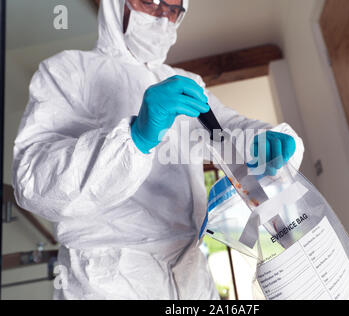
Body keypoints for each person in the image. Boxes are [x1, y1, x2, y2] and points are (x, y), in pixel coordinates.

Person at [12, 0, 304, 299]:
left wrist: (264, 139)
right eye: (151, 3)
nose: (163, 17)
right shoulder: (67, 71)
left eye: (174, 10)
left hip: (191, 274)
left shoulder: (186, 82)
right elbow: (32, 184)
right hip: (107, 278)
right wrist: (135, 138)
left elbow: (226, 131)